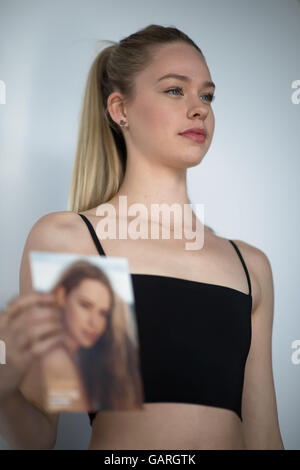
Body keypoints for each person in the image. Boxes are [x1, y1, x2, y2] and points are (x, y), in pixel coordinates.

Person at [0, 24, 284, 450]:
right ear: (120, 109)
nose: (198, 109)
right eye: (175, 90)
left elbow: (265, 439)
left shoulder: (248, 265)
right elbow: (40, 432)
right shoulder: (75, 241)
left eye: (206, 95)